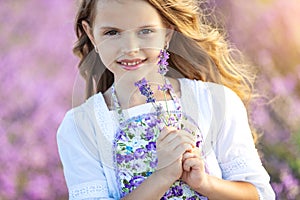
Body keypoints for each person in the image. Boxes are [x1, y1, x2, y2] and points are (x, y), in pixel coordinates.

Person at [57, 0, 275, 199]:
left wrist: (205, 183)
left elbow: (259, 194)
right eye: (112, 32)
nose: (130, 48)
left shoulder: (215, 101)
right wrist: (162, 176)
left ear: (167, 33)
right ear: (91, 34)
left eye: (145, 31)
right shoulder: (80, 126)